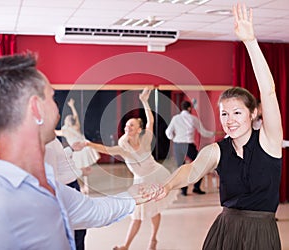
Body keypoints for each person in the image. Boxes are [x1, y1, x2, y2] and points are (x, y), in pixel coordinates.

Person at [0, 53, 160, 250]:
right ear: (36, 109)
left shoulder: (49, 185)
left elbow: (94, 211)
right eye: (53, 97)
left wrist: (137, 194)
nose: (57, 109)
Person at [156, 3, 283, 249]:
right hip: (225, 232)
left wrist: (250, 41)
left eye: (237, 112)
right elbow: (190, 171)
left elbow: (268, 91)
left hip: (262, 234)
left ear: (253, 113)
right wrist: (168, 184)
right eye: (224, 113)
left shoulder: (269, 141)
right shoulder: (218, 150)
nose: (230, 119)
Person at [74, 88, 178, 250]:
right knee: (137, 215)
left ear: (138, 129)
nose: (127, 128)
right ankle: (126, 245)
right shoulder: (123, 147)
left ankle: (153, 239)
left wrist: (144, 100)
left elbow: (150, 122)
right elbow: (106, 149)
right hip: (141, 182)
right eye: (127, 126)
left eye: (131, 125)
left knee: (154, 211)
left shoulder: (145, 140)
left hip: (156, 175)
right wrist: (88, 144)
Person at [45, 137, 91, 250]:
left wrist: (71, 149)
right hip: (67, 189)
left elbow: (59, 157)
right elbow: (53, 179)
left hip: (72, 187)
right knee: (77, 232)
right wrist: (80, 171)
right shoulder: (48, 145)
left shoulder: (51, 139)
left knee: (80, 229)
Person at [165, 100, 216, 195]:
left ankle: (184, 191)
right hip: (188, 145)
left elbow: (168, 132)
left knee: (180, 167)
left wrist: (174, 138)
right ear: (189, 108)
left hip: (177, 145)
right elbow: (203, 132)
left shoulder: (175, 118)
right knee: (200, 165)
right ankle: (196, 188)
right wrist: (214, 133)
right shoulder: (193, 118)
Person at [56, 98, 100, 194]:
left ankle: (83, 186)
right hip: (84, 148)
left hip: (77, 150)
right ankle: (85, 186)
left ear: (67, 122)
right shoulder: (76, 127)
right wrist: (72, 106)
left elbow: (54, 132)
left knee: (77, 170)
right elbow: (76, 116)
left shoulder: (65, 130)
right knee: (84, 170)